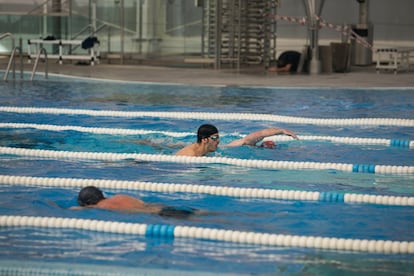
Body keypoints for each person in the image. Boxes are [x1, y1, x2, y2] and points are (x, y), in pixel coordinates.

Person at [71, 186, 203, 219]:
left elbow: (78, 210)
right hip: (165, 207)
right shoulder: (119, 196)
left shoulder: (101, 206)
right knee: (202, 214)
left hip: (161, 215)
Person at [175, 124, 299, 157]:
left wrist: (281, 131)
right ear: (205, 140)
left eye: (218, 137)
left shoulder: (212, 148)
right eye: (215, 138)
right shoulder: (190, 156)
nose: (218, 140)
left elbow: (249, 138)